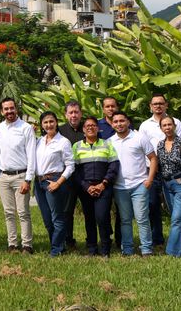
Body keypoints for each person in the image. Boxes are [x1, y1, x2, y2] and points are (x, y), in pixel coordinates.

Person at [138, 93, 181, 248]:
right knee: (152, 204)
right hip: (150, 170)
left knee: (177, 207)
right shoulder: (145, 126)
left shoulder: (176, 122)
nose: (158, 106)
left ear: (166, 105)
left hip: (173, 172)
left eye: (161, 103)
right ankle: (157, 238)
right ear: (150, 107)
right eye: (155, 104)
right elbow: (141, 148)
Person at [110, 111, 158, 256]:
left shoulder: (139, 138)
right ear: (112, 124)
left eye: (122, 121)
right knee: (125, 220)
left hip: (139, 185)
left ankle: (146, 249)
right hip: (119, 187)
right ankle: (128, 249)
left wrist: (149, 179)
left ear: (128, 122)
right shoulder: (109, 142)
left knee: (142, 218)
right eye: (116, 121)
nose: (119, 124)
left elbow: (153, 158)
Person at [72, 116, 119, 257]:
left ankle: (105, 249)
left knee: (102, 217)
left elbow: (114, 165)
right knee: (89, 219)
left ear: (98, 128)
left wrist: (103, 183)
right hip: (85, 188)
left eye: (93, 125)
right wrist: (86, 186)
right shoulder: (77, 146)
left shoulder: (107, 144)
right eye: (87, 126)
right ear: (83, 130)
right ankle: (92, 249)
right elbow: (74, 169)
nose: (90, 127)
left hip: (103, 186)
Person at [0, 97, 36, 254]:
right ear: (2, 111)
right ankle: (12, 244)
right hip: (4, 177)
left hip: (21, 176)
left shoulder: (25, 128)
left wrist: (28, 179)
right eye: (6, 109)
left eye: (11, 108)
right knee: (8, 212)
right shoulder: (0, 128)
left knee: (23, 212)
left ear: (16, 109)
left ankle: (27, 245)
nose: (9, 111)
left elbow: (31, 155)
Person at [34, 111, 74, 257]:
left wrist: (59, 182)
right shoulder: (39, 141)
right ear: (42, 125)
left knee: (57, 217)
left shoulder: (63, 142)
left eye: (51, 121)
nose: (49, 125)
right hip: (39, 183)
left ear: (56, 122)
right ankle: (59, 245)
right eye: (45, 122)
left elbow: (70, 165)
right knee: (47, 219)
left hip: (54, 180)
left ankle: (56, 250)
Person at [156, 115, 181, 257]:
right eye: (164, 125)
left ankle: (172, 252)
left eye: (169, 125)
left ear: (175, 126)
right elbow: (160, 168)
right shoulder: (160, 145)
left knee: (176, 219)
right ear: (161, 128)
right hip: (167, 186)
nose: (167, 127)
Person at [58, 100, 84, 250]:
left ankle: (92, 240)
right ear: (66, 115)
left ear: (81, 113)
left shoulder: (88, 128)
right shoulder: (60, 131)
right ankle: (68, 240)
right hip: (67, 177)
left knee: (90, 211)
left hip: (85, 177)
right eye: (71, 112)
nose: (74, 115)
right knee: (67, 211)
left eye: (76, 112)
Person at [97, 96, 120, 247]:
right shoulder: (98, 125)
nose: (110, 109)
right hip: (103, 173)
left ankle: (120, 239)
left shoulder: (123, 122)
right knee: (103, 212)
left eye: (113, 106)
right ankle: (106, 236)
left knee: (121, 210)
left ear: (116, 107)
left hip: (123, 173)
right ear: (103, 109)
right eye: (107, 106)